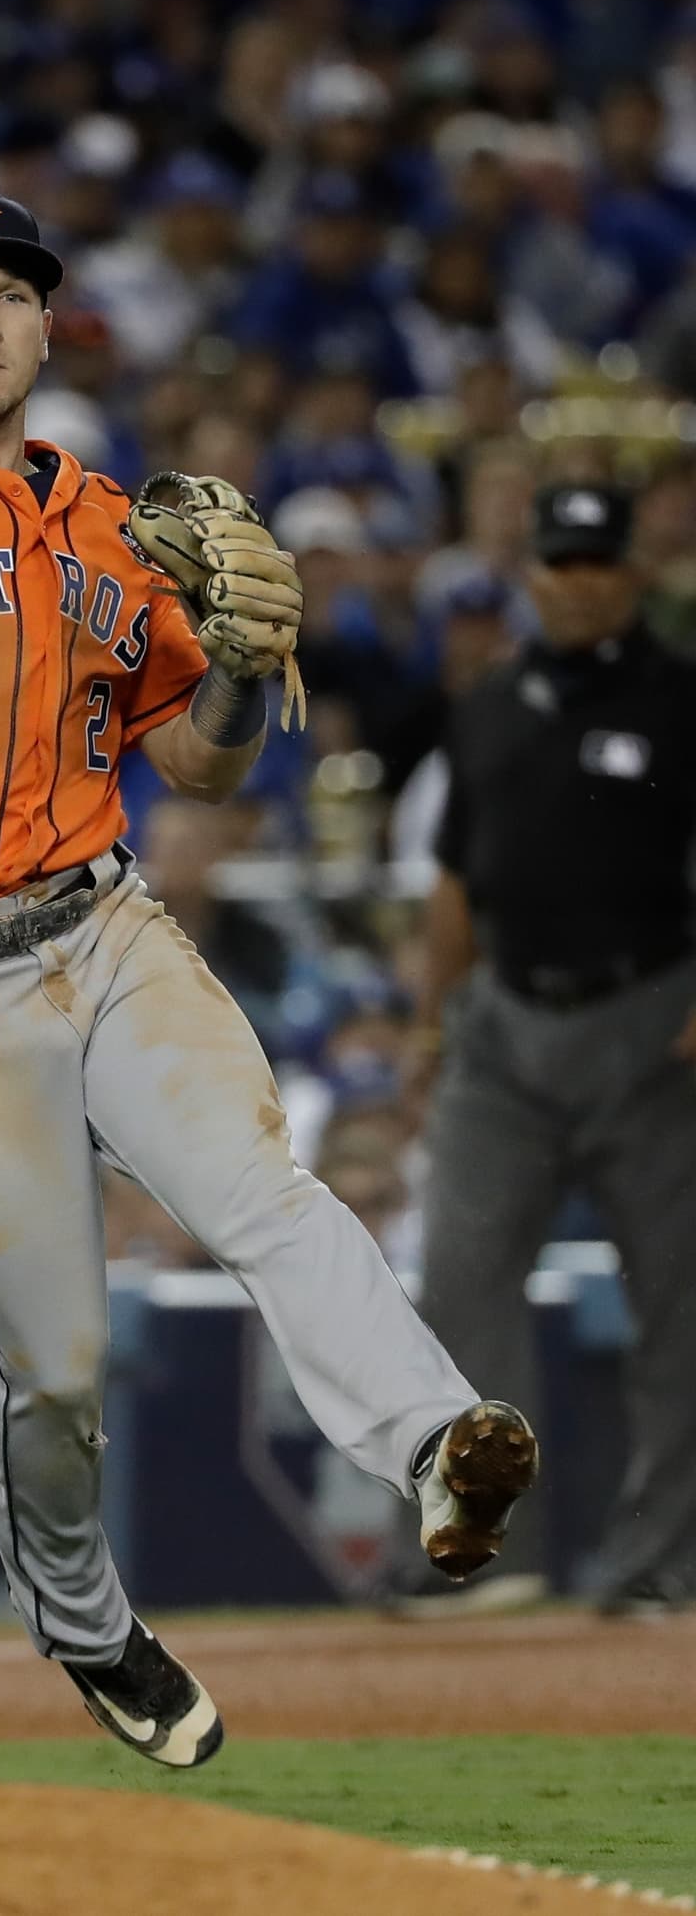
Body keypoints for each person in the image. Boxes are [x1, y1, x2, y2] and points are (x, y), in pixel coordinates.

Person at [0, 187, 537, 1768]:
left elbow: (205, 771)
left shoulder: (102, 521)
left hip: (104, 922)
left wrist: (220, 658)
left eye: (11, 290)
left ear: (45, 324)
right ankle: (86, 1624)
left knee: (265, 1190)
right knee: (61, 1365)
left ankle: (439, 1440)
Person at [407, 483, 696, 1617]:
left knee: (677, 1307)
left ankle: (659, 1562)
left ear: (630, 575)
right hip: (502, 1029)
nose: (575, 582)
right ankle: (483, 1557)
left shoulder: (681, 699)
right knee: (459, 1285)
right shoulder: (484, 709)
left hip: (651, 1027)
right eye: (557, 562)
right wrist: (430, 1025)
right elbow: (452, 882)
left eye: (594, 561)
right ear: (529, 576)